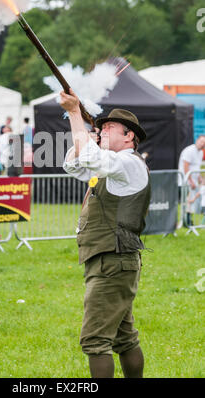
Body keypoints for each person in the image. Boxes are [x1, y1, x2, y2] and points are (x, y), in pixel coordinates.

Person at [60, 88, 151, 379]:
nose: (103, 130)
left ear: (129, 137)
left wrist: (75, 113)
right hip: (110, 261)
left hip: (113, 261)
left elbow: (92, 160)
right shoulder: (112, 165)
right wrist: (87, 133)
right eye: (102, 127)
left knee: (95, 340)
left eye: (110, 128)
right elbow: (73, 164)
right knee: (124, 338)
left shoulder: (128, 163)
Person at [178, 135, 205, 226]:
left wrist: (200, 179)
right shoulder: (189, 150)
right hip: (185, 181)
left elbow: (196, 167)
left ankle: (188, 221)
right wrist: (190, 181)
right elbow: (186, 167)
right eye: (201, 141)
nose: (202, 144)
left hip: (194, 182)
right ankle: (185, 222)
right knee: (186, 202)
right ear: (197, 140)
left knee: (191, 203)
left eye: (204, 143)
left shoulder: (201, 152)